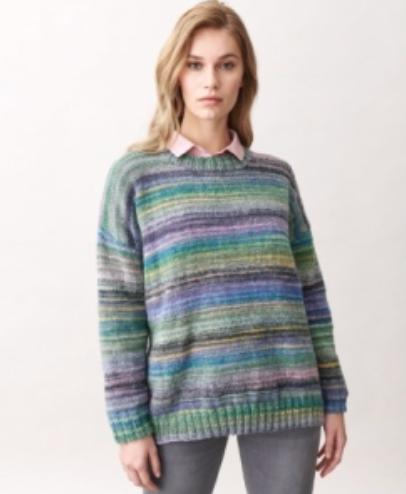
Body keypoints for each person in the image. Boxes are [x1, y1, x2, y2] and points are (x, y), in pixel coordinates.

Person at [96, 1, 349, 493]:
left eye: (226, 65)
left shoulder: (275, 178)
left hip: (287, 395)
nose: (210, 80)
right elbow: (119, 310)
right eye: (195, 65)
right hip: (181, 402)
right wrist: (129, 425)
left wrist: (333, 396)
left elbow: (311, 294)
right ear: (175, 74)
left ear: (243, 77)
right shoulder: (135, 177)